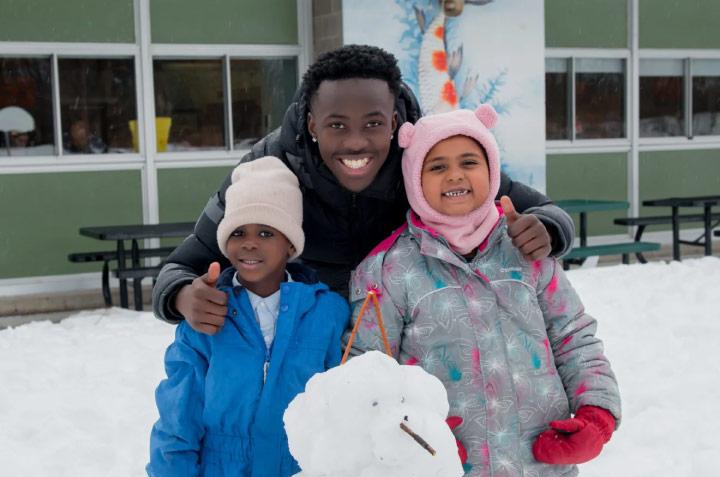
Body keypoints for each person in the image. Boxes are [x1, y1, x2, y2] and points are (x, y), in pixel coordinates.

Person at [345, 105, 621, 477]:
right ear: (413, 181)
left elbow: (573, 333)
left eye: (469, 161)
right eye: (437, 165)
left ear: (492, 173)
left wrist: (597, 411)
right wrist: (410, 429)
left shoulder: (528, 251)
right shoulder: (387, 270)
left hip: (525, 463)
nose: (454, 176)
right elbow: (367, 376)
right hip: (437, 474)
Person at [151, 44, 576, 334]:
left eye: (373, 123)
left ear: (393, 121)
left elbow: (541, 210)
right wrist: (184, 297)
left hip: (409, 357)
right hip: (304, 355)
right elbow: (181, 266)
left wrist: (547, 228)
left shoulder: (430, 157)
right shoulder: (265, 170)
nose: (355, 142)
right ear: (313, 124)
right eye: (337, 125)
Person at [146, 156, 349, 477]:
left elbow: (340, 407)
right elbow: (180, 407)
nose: (250, 244)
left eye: (266, 231)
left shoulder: (326, 313)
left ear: (291, 242)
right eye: (239, 232)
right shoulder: (206, 309)